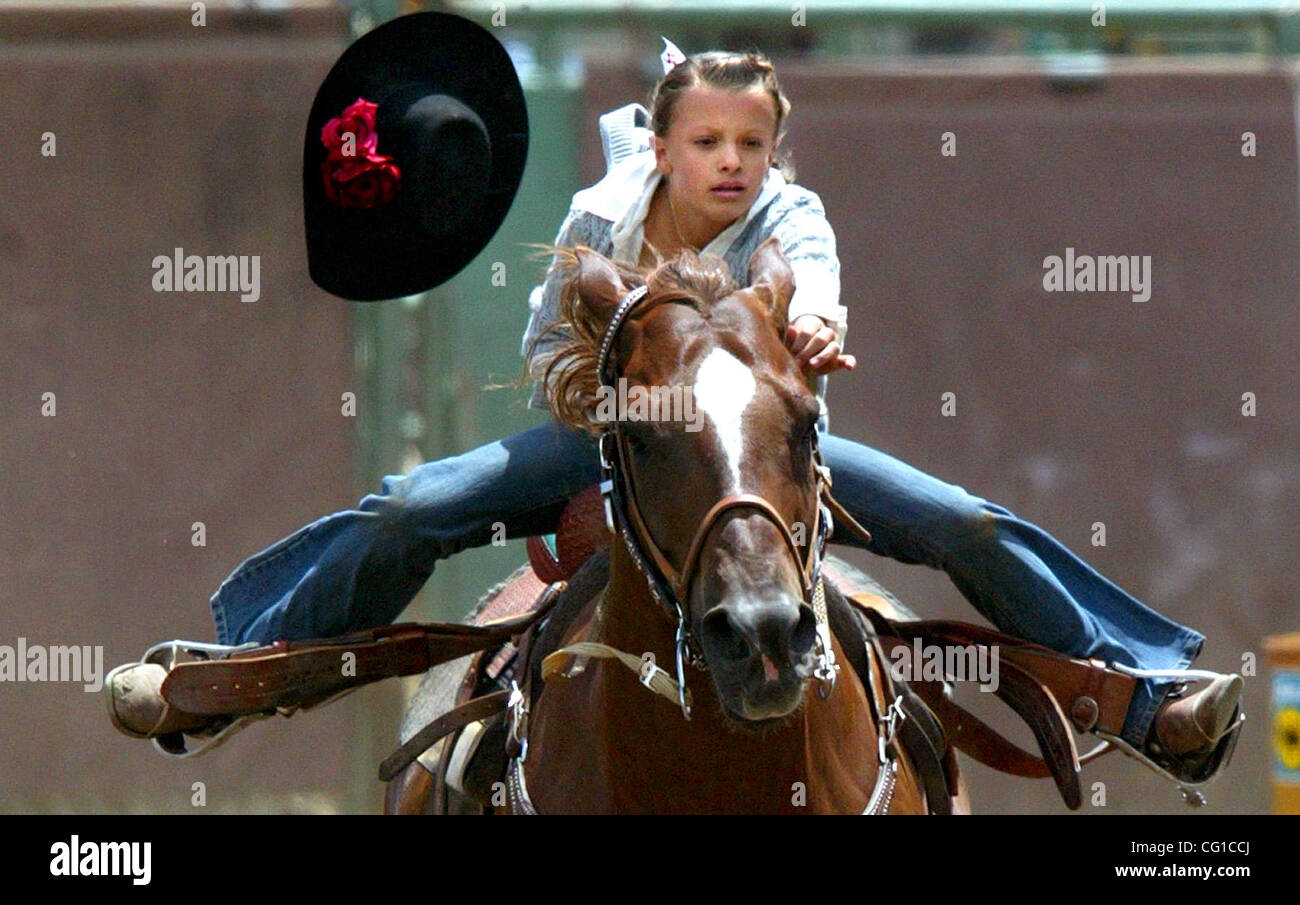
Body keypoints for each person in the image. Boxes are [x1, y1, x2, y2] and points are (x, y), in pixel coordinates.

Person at [151, 36, 1247, 787]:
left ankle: (1141, 694)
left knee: (960, 521)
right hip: (616, 436)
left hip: (756, 447)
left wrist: (810, 333)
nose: (732, 164)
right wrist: (628, 407)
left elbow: (811, 291)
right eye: (708, 144)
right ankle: (237, 668)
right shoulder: (599, 213)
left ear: (775, 151)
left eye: (752, 146)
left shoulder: (792, 219)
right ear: (663, 149)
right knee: (407, 508)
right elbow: (545, 354)